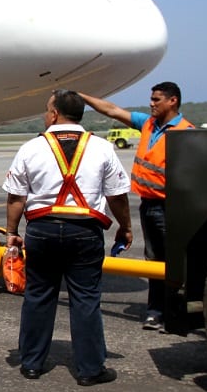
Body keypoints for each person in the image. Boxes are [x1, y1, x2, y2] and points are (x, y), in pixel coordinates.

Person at [4, 90, 133, 386]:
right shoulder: (101, 148)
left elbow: (16, 197)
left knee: (39, 295)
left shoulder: (31, 148)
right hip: (85, 232)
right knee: (86, 299)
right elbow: (117, 196)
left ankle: (32, 363)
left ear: (54, 114)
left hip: (43, 230)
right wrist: (125, 226)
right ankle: (90, 370)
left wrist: (12, 233)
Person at [78, 82, 193, 331]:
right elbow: (111, 110)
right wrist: (81, 95)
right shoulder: (148, 124)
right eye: (151, 99)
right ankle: (155, 312)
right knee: (153, 260)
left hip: (172, 207)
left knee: (174, 262)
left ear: (173, 101)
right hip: (148, 205)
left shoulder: (185, 132)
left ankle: (176, 314)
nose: (151, 103)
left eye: (157, 99)